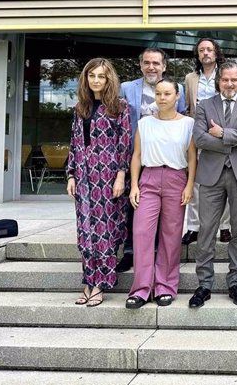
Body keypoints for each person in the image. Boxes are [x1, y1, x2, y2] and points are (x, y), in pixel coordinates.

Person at [188, 62, 237, 308]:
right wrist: (236, 135)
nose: (230, 84)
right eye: (225, 80)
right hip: (211, 175)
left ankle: (235, 282)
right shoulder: (204, 106)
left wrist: (222, 133)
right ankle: (204, 284)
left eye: (234, 80)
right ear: (219, 81)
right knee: (207, 229)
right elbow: (199, 138)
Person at [125, 78, 196, 309]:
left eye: (167, 94)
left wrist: (189, 185)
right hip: (149, 178)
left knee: (171, 235)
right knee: (142, 232)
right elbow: (136, 155)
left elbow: (192, 157)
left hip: (177, 178)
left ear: (177, 96)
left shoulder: (188, 123)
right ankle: (141, 289)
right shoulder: (145, 123)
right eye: (158, 94)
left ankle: (165, 286)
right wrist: (134, 185)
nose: (162, 98)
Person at [66, 58, 131, 308]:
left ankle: (100, 283)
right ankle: (88, 279)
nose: (96, 80)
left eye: (101, 76)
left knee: (105, 231)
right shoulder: (79, 107)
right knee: (86, 231)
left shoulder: (119, 107)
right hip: (83, 177)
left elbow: (125, 142)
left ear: (108, 79)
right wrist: (71, 174)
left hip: (108, 177)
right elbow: (74, 142)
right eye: (92, 76)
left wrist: (121, 175)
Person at [117, 48, 187, 273]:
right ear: (141, 65)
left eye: (156, 63)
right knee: (133, 207)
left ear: (164, 66)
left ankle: (157, 253)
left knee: (165, 212)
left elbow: (182, 117)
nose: (151, 67)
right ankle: (130, 252)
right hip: (134, 154)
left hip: (165, 159)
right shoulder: (127, 88)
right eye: (147, 63)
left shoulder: (178, 89)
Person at [182, 38, 231, 245]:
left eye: (209, 49)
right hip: (198, 135)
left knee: (227, 180)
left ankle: (225, 226)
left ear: (216, 52)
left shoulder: (226, 74)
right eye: (201, 50)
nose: (205, 53)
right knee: (195, 182)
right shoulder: (190, 78)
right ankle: (194, 227)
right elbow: (187, 107)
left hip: (222, 134)